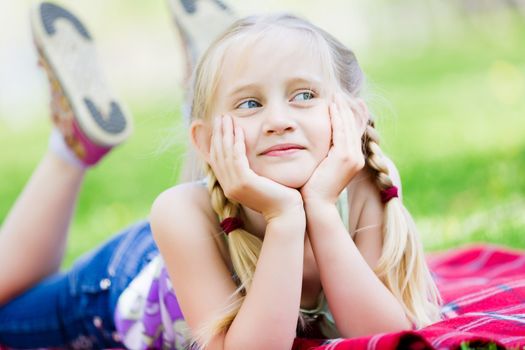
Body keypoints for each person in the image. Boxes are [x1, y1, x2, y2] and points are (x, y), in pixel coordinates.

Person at [0, 1, 442, 349]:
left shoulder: (361, 185)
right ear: (205, 141)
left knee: (238, 131)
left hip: (219, 206)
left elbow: (383, 336)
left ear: (350, 116)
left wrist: (321, 210)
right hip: (122, 281)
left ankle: (212, 77)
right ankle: (72, 147)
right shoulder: (178, 211)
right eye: (251, 103)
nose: (279, 120)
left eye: (303, 94)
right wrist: (287, 217)